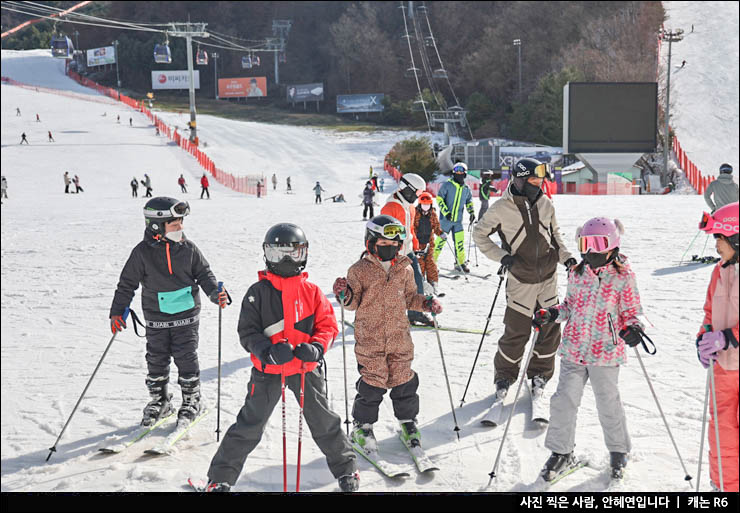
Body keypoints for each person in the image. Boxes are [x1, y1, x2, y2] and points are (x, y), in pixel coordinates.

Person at [205, 223, 359, 493]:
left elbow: (328, 327)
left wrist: (316, 348)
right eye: (278, 254)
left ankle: (346, 469)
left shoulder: (311, 292)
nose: (286, 260)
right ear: (267, 255)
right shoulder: (257, 293)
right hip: (268, 372)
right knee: (250, 423)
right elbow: (247, 332)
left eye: (293, 253)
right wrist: (266, 351)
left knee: (323, 419)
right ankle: (221, 476)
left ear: (304, 255)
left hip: (304, 370)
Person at [534, 217, 645, 482]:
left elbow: (631, 312)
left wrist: (633, 328)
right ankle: (562, 452)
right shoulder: (577, 272)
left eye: (598, 243)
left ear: (612, 245)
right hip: (574, 348)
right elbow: (569, 307)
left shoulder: (623, 276)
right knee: (563, 401)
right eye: (585, 243)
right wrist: (552, 313)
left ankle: (618, 451)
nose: (590, 251)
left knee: (608, 404)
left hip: (604, 351)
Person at [109, 197, 229, 429]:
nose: (180, 228)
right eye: (174, 225)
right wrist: (117, 311)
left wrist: (215, 293)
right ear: (157, 226)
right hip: (156, 317)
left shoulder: (189, 248)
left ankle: (192, 400)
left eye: (181, 223)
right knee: (156, 358)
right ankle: (160, 400)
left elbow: (204, 274)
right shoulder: (142, 253)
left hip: (187, 315)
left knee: (186, 356)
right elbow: (126, 284)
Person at [333, 216, 442, 459]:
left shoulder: (404, 269)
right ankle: (363, 427)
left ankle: (408, 422)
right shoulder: (358, 270)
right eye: (384, 243)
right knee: (373, 384)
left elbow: (410, 298)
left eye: (394, 244)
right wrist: (344, 295)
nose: (390, 248)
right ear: (371, 242)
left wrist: (426, 303)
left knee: (404, 382)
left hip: (399, 337)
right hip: (370, 340)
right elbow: (352, 303)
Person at [473, 157, 576, 411]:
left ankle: (539, 374)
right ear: (519, 179)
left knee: (549, 331)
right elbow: (479, 234)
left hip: (549, 278)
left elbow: (556, 237)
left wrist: (569, 259)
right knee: (516, 333)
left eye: (540, 180)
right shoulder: (500, 209)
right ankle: (504, 377)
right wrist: (503, 257)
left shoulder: (546, 203)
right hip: (520, 280)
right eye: (533, 180)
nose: (538, 185)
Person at [694, 202, 739, 492]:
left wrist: (730, 336)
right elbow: (710, 312)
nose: (716, 245)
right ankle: (725, 486)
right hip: (724, 367)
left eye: (719, 238)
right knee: (722, 433)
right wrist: (704, 338)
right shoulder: (719, 271)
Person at [380, 172, 432, 326]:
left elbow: (409, 230)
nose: (418, 197)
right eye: (417, 193)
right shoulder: (391, 207)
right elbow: (382, 233)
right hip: (391, 254)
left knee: (417, 281)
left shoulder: (410, 206)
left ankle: (415, 314)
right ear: (408, 189)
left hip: (407, 251)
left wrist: (415, 247)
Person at [433, 162, 476, 273]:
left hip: (458, 221)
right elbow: (439, 198)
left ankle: (460, 263)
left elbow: (469, 201)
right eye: (456, 171)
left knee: (460, 243)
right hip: (445, 221)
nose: (458, 173)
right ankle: (431, 262)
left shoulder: (466, 188)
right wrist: (446, 212)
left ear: (465, 174)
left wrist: (471, 212)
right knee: (439, 242)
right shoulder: (447, 185)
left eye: (461, 171)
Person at [413, 192, 446, 295]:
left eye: (428, 205)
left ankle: (433, 284)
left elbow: (436, 226)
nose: (426, 207)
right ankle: (421, 285)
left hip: (429, 243)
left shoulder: (433, 214)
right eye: (424, 204)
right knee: (420, 265)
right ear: (420, 204)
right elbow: (412, 228)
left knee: (431, 264)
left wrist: (440, 233)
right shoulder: (415, 213)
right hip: (418, 244)